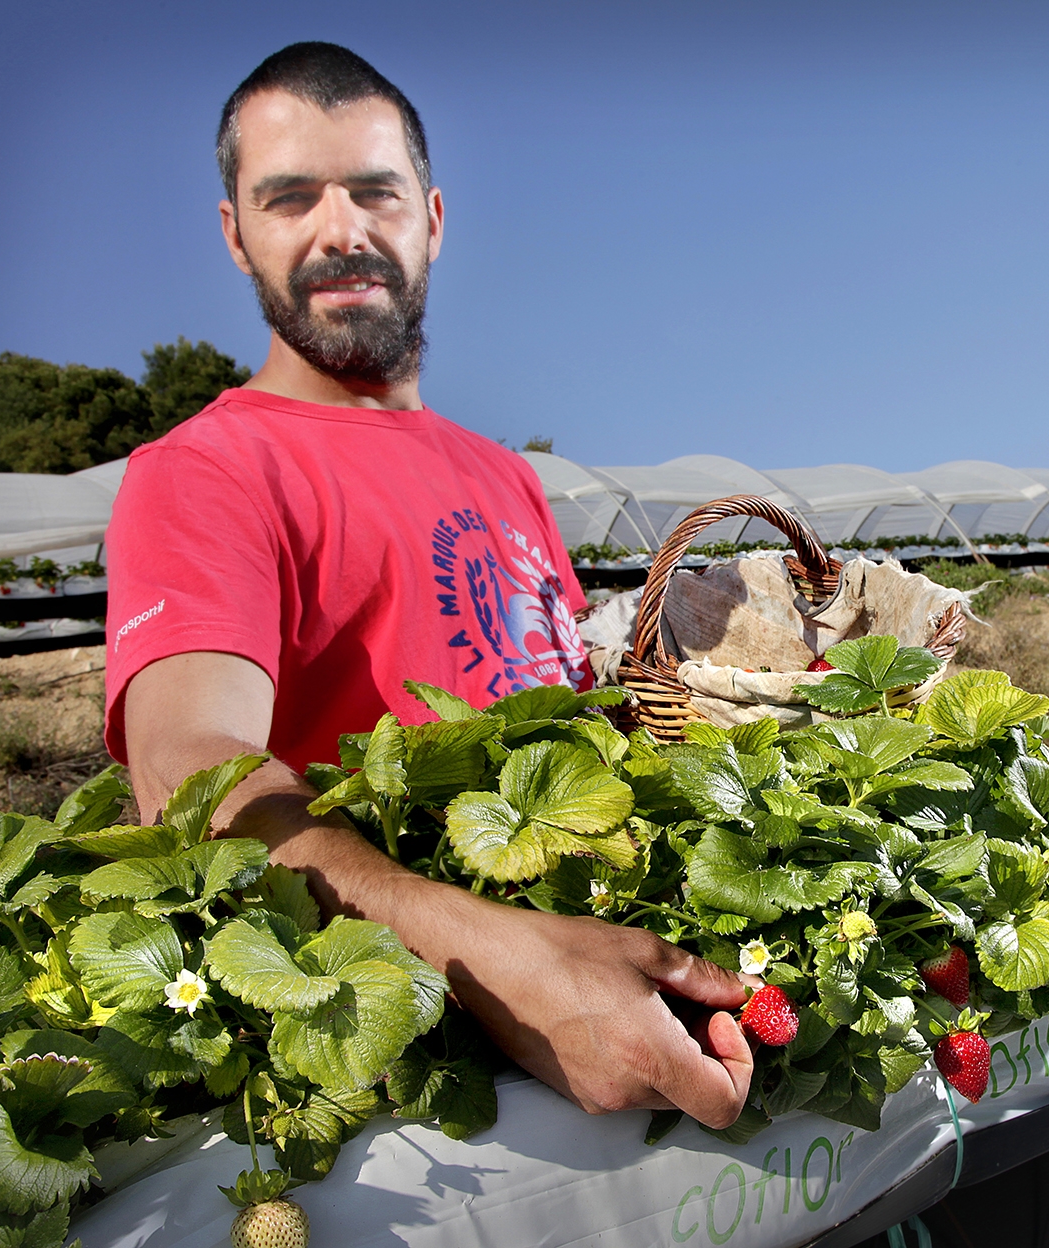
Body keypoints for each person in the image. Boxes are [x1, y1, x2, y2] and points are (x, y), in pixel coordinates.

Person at [103, 42, 754, 1130]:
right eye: (290, 198)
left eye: (374, 192)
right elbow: (192, 770)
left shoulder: (503, 473)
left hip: (612, 971)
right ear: (235, 234)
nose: (341, 231)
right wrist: (502, 960)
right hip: (425, 1064)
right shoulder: (201, 472)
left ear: (434, 217)